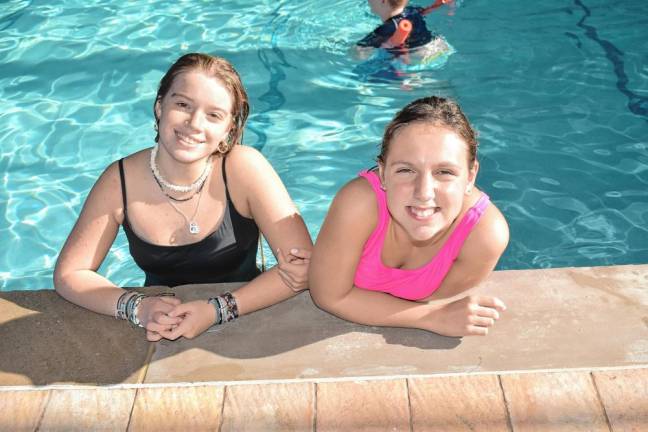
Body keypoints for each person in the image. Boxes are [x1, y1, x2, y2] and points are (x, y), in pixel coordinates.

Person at [54, 53, 312, 341]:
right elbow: (70, 273)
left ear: (228, 129)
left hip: (249, 313)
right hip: (159, 319)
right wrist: (137, 307)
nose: (194, 123)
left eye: (213, 115)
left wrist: (218, 309)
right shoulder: (120, 180)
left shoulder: (244, 169)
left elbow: (303, 267)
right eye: (182, 105)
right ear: (159, 107)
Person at [309, 96, 509, 337]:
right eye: (405, 170)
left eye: (444, 172)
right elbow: (329, 296)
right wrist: (432, 317)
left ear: (470, 175)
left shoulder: (483, 236)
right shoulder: (359, 204)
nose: (423, 193)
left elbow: (341, 295)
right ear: (383, 173)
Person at [356, 0, 451, 52]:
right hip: (438, 46)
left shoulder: (385, 29)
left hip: (419, 55)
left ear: (383, 1)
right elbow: (425, 11)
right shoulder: (412, 11)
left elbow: (361, 49)